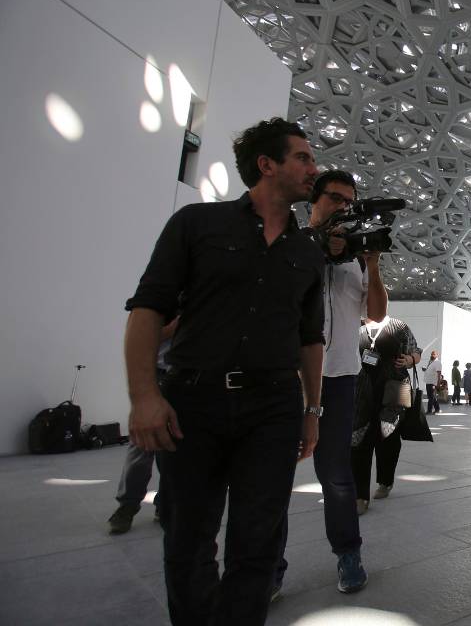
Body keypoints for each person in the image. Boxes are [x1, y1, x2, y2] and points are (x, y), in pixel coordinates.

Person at [124, 117, 325, 625]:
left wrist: (312, 410)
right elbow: (147, 309)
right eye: (303, 157)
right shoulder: (197, 224)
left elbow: (310, 338)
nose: (314, 169)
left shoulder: (307, 251)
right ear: (267, 164)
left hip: (273, 407)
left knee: (258, 543)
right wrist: (144, 396)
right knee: (188, 537)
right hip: (195, 402)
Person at [272, 170, 387, 599]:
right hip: (288, 378)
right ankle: (270, 567)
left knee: (337, 475)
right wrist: (320, 249)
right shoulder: (290, 244)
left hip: (340, 378)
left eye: (348, 201)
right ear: (313, 201)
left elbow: (376, 314)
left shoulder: (354, 258)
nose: (342, 206)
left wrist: (371, 264)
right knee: (274, 476)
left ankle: (348, 553)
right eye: (335, 198)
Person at [108, 316, 178, 535]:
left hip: (187, 378)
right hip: (157, 376)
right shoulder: (160, 304)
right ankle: (127, 507)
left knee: (177, 447)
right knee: (142, 446)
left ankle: (164, 503)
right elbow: (142, 337)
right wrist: (175, 326)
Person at [352, 316, 421, 513]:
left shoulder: (398, 326)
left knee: (389, 437)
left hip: (395, 387)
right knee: (359, 437)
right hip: (363, 388)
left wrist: (409, 359)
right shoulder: (356, 326)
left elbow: (416, 351)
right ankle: (360, 495)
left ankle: (385, 481)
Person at [423, 350, 442, 414]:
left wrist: (438, 383)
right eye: (431, 354)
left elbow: (439, 373)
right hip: (428, 382)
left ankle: (429, 410)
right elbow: (431, 371)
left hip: (433, 382)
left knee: (431, 397)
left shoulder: (437, 362)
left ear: (437, 355)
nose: (432, 355)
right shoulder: (431, 362)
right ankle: (437, 409)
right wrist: (426, 370)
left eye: (433, 354)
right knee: (431, 397)